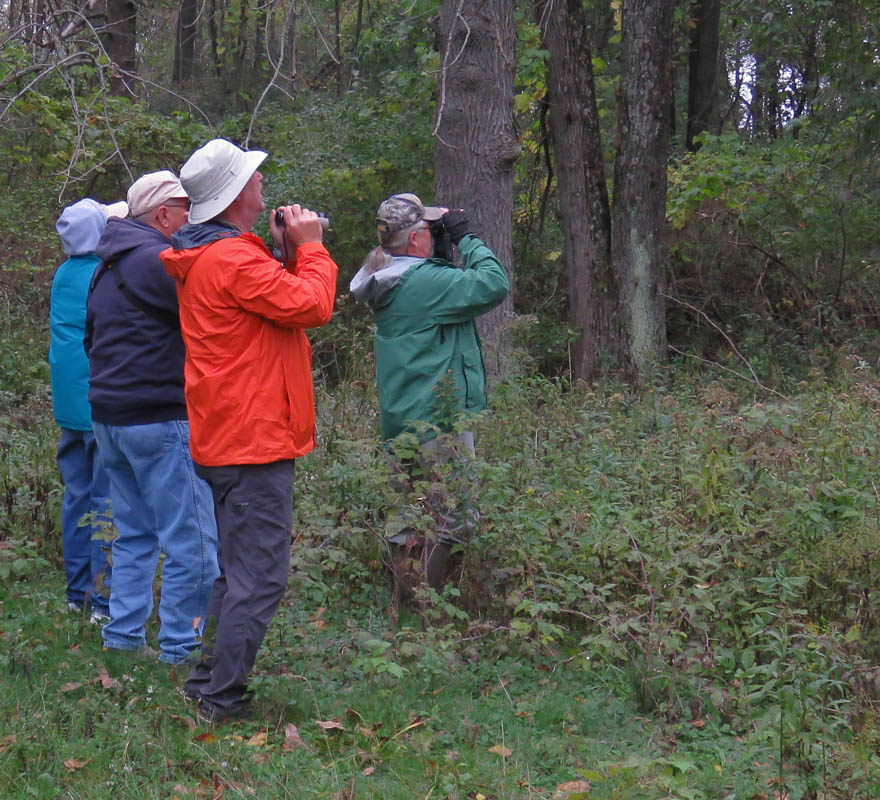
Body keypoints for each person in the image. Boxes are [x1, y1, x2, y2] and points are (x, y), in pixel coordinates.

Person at [160, 138, 338, 723]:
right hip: (252, 440)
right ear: (236, 194)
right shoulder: (232, 259)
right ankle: (219, 700)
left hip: (232, 434)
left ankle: (208, 682)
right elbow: (312, 305)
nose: (264, 184)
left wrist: (287, 252)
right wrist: (311, 250)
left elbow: (272, 307)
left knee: (238, 573)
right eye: (255, 177)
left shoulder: (223, 255)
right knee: (259, 578)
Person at [84, 171, 220, 665]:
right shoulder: (158, 261)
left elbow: (90, 337)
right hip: (160, 417)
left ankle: (122, 639)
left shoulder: (108, 263)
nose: (193, 216)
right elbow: (213, 315)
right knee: (196, 542)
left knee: (136, 533)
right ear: (162, 214)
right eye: (186, 208)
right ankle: (182, 651)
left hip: (110, 419)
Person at [348, 193, 509, 589]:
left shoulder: (383, 274)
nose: (438, 237)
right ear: (417, 239)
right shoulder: (424, 282)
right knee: (456, 518)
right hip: (440, 422)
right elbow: (494, 283)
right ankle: (431, 615)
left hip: (400, 417)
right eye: (432, 230)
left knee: (407, 517)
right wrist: (466, 238)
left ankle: (404, 609)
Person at [50, 197, 126, 623]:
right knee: (105, 504)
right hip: (99, 406)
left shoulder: (64, 275)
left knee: (76, 498)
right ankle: (103, 599)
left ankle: (77, 592)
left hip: (69, 410)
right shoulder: (103, 275)